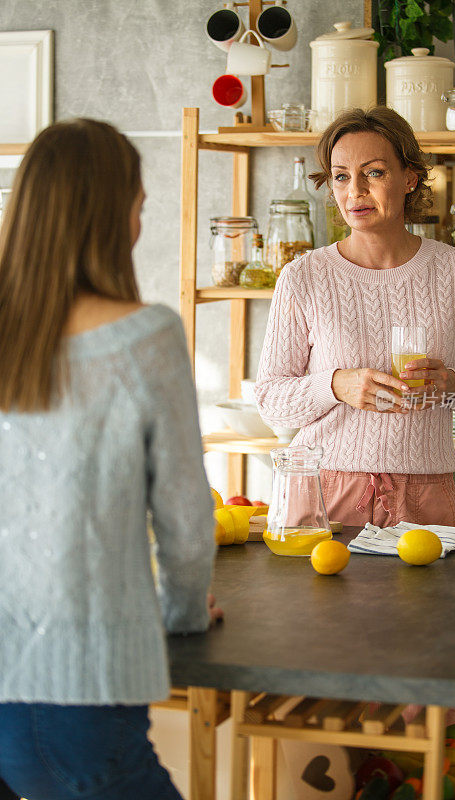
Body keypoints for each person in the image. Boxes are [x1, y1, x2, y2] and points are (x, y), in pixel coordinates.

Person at [0, 118, 221, 800]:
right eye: (138, 207)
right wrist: (182, 613)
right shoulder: (146, 337)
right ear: (107, 215)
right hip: (87, 699)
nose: (137, 226)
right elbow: (185, 520)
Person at [255, 106, 455, 531]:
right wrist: (335, 385)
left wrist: (452, 384)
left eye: (373, 173)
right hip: (323, 490)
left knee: (427, 601)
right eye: (340, 175)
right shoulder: (304, 276)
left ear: (409, 177)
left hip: (427, 492)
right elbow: (271, 402)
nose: (355, 191)